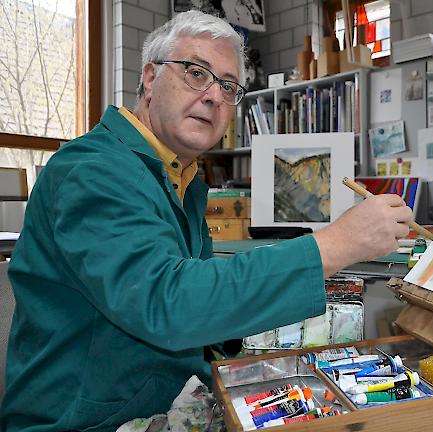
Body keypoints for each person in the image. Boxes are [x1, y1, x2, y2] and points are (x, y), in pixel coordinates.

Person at [0, 10, 412, 432]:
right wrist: (335, 245)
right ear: (149, 77)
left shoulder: (181, 177)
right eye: (196, 73)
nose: (215, 95)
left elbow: (197, 304)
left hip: (153, 405)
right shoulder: (93, 169)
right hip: (80, 422)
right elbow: (169, 302)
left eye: (229, 86)